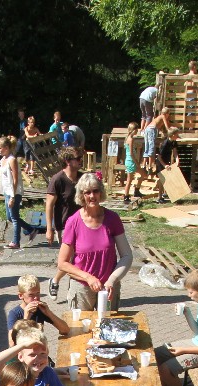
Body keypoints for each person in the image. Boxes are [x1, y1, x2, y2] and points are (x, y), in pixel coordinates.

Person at [56, 172, 133, 313]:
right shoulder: (73, 221)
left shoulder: (113, 218)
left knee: (107, 325)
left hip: (108, 287)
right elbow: (62, 263)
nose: (92, 196)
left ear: (101, 192)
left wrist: (112, 280)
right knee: (81, 326)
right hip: (82, 288)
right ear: (81, 195)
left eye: (95, 191)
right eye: (87, 192)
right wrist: (88, 278)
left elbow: (127, 255)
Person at [46, 147, 84, 292]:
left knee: (78, 258)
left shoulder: (82, 178)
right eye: (78, 158)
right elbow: (49, 205)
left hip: (83, 225)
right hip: (64, 226)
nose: (80, 161)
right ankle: (58, 282)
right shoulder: (57, 180)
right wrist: (49, 229)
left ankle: (66, 285)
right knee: (69, 260)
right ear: (68, 161)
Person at [3, 274, 69, 345]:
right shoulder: (14, 314)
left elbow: (65, 330)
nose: (36, 298)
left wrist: (49, 313)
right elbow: (12, 344)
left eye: (38, 293)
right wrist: (26, 319)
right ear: (21, 295)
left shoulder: (40, 309)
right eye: (31, 295)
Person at [0, 135, 26, 250]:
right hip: (6, 192)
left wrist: (13, 197)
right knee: (10, 217)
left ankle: (16, 241)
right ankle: (31, 229)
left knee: (14, 217)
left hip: (14, 192)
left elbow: (15, 179)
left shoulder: (12, 160)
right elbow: (2, 178)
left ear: (6, 148)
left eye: (0, 148)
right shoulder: (2, 160)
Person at [122, 122, 145, 205]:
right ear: (133, 130)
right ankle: (126, 196)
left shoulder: (129, 138)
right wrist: (137, 163)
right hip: (131, 161)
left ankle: (137, 191)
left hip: (130, 161)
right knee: (129, 180)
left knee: (143, 174)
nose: (137, 131)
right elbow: (131, 153)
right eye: (136, 130)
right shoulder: (130, 139)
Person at [184, 60, 198, 132]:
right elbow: (194, 86)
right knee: (191, 111)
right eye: (196, 66)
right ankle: (191, 127)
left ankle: (190, 126)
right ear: (194, 67)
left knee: (189, 110)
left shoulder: (186, 75)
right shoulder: (195, 76)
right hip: (192, 94)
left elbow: (185, 84)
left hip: (187, 94)